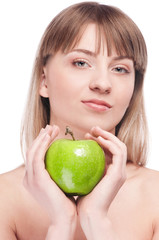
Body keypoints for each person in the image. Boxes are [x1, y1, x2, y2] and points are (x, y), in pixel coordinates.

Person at [0, 1, 159, 239]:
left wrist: (96, 222)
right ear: (44, 80)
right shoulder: (5, 198)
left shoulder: (155, 196)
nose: (103, 84)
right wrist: (61, 224)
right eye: (81, 63)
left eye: (120, 69)